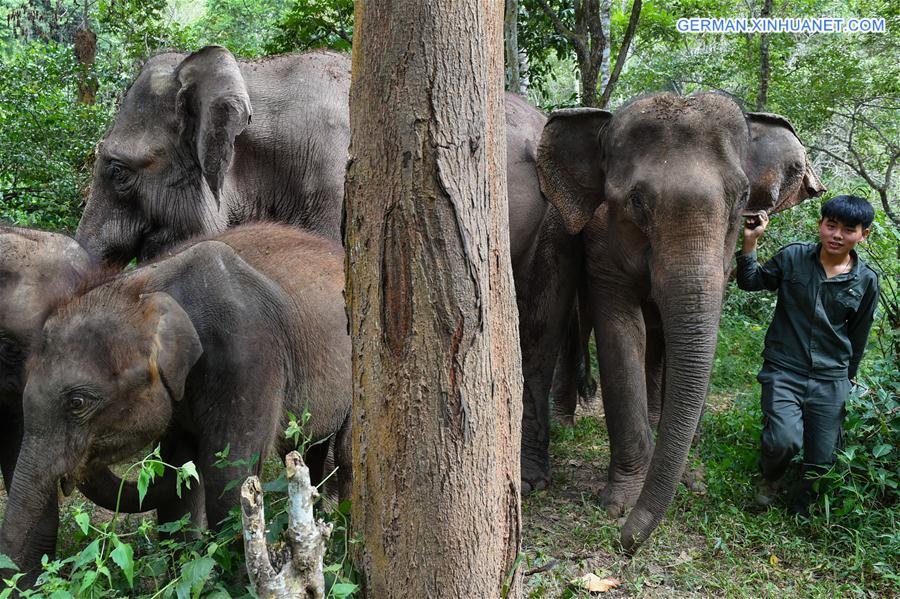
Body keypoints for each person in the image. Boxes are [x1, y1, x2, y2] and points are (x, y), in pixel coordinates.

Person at [735, 195, 880, 515]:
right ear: (821, 225)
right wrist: (750, 242)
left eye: (848, 229)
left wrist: (846, 382)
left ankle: (802, 505)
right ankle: (770, 479)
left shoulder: (867, 281)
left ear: (863, 234)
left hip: (831, 377)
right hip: (785, 368)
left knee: (822, 458)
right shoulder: (793, 258)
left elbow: (858, 336)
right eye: (831, 225)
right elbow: (750, 282)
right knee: (783, 440)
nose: (837, 235)